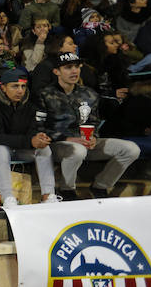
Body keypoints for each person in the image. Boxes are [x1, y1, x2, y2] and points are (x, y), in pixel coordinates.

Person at [37, 53, 140, 200]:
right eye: (68, 67)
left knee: (131, 149)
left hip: (85, 143)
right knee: (77, 150)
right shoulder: (44, 94)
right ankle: (67, 190)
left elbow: (93, 121)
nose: (74, 71)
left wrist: (93, 136)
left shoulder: (89, 94)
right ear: (56, 71)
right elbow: (38, 127)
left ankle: (101, 186)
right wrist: (68, 138)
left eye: (77, 66)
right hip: (57, 145)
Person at [0, 69, 58, 206]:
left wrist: (38, 137)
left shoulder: (29, 106)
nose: (20, 91)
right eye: (15, 86)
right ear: (3, 87)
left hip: (15, 149)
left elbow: (32, 131)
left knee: (44, 149)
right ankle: (8, 197)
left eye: (23, 86)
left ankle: (48, 195)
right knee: (1, 150)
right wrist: (29, 141)